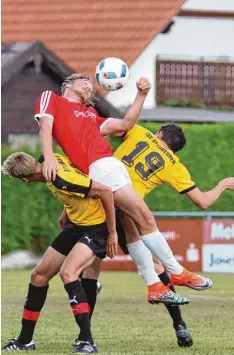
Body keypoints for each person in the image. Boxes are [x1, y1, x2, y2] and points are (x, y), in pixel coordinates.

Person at [35, 73, 211, 305]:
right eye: (83, 81)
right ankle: (175, 271)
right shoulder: (52, 98)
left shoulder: (91, 114)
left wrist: (141, 95)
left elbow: (126, 124)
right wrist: (48, 158)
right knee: (144, 218)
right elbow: (45, 127)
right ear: (67, 84)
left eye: (91, 83)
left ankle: (155, 284)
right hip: (101, 167)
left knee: (135, 226)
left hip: (108, 167)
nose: (89, 85)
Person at [113, 123, 234, 346]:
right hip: (125, 208)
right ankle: (179, 324)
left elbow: (115, 126)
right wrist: (225, 184)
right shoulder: (174, 165)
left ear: (159, 133)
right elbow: (203, 202)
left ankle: (84, 337)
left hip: (98, 198)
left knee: (83, 267)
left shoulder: (139, 131)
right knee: (157, 264)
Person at [1, 152, 118, 353]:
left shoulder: (60, 179)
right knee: (38, 276)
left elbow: (106, 191)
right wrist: (66, 211)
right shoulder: (48, 159)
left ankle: (87, 342)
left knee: (68, 273)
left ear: (25, 179)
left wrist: (113, 232)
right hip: (76, 224)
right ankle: (24, 341)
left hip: (96, 227)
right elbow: (77, 176)